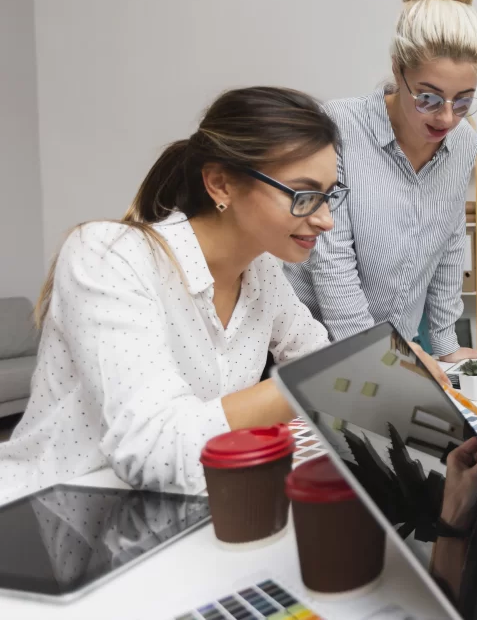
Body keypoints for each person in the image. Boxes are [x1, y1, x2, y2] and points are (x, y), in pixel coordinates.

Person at [0, 87, 347, 501]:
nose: (325, 219)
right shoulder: (108, 255)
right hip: (50, 515)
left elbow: (321, 360)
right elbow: (156, 450)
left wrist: (379, 379)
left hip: (175, 509)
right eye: (303, 196)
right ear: (220, 184)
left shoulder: (262, 272)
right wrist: (321, 383)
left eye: (328, 196)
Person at [285, 0, 477, 363]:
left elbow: (449, 242)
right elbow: (331, 257)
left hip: (397, 347)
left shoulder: (463, 144)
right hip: (314, 346)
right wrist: (378, 355)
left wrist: (446, 344)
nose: (446, 118)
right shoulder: (341, 125)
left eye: (463, 100)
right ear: (399, 69)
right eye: (429, 98)